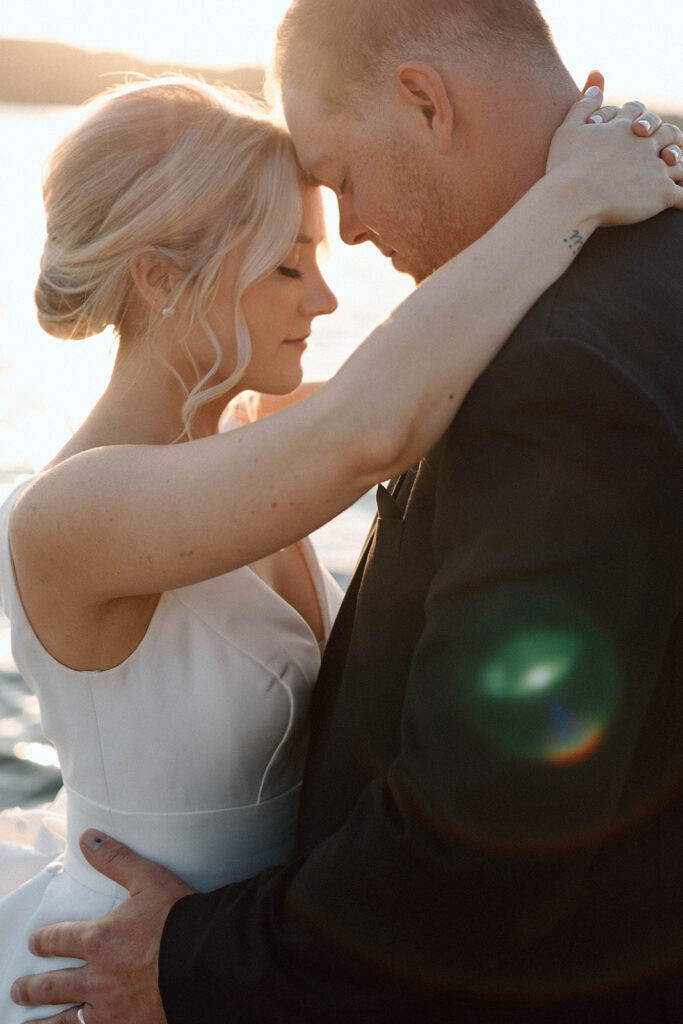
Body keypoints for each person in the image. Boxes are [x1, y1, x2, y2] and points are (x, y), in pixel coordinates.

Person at [5, 15, 683, 1020]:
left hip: (257, 965)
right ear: (157, 279)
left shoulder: (252, 449)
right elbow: (377, 418)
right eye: (288, 263)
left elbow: (409, 380)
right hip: (131, 973)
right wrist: (568, 191)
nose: (329, 291)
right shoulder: (72, 510)